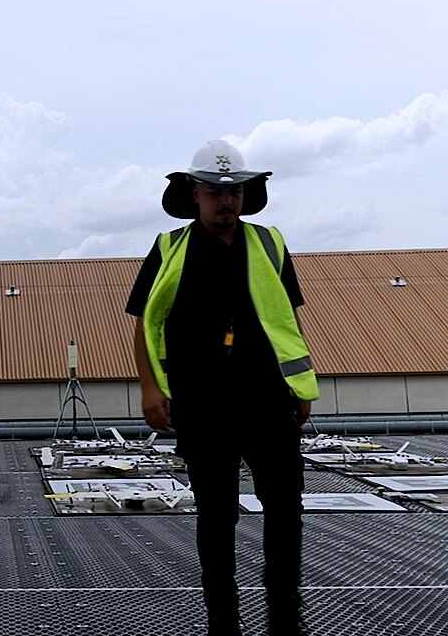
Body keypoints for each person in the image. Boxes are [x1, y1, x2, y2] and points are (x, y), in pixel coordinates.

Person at [127, 140, 316, 636]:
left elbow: (287, 322)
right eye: (214, 191)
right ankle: (223, 625)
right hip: (203, 402)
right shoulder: (170, 250)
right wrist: (150, 390)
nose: (226, 201)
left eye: (235, 191)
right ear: (193, 194)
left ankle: (284, 619)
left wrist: (300, 386)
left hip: (268, 398)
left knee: (285, 510)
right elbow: (145, 324)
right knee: (216, 516)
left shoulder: (270, 245)